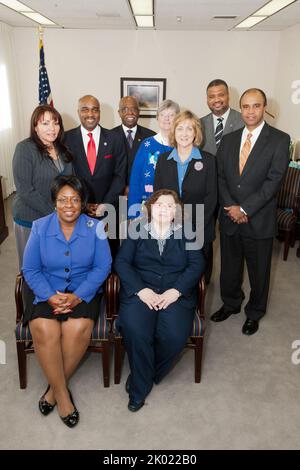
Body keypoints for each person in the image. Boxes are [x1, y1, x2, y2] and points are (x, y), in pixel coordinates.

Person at [22, 175, 112, 427]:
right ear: (54, 202)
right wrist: (50, 296)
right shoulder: (40, 227)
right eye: (62, 199)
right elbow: (30, 269)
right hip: (45, 289)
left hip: (82, 289)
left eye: (75, 199)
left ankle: (52, 390)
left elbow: (103, 266)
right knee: (44, 328)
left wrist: (78, 295)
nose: (69, 205)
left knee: (77, 328)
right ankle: (62, 395)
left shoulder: (95, 228)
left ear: (83, 203)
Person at [115, 189, 204, 412]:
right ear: (150, 208)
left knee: (174, 336)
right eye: (159, 205)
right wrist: (140, 290)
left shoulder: (188, 232)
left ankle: (142, 373)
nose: (164, 209)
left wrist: (176, 291)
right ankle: (139, 389)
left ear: (176, 211)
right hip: (142, 290)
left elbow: (197, 265)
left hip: (174, 293)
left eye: (170, 205)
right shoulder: (136, 229)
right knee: (136, 330)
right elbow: (122, 263)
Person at [211, 88, 290, 335]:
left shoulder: (279, 139)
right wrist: (232, 208)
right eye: (246, 106)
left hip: (259, 218)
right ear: (240, 108)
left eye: (256, 106)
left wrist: (244, 208)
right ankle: (231, 303)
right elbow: (221, 177)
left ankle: (255, 312)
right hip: (230, 217)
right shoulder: (229, 139)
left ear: (264, 107)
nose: (251, 111)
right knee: (230, 267)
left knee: (259, 271)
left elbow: (274, 181)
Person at [154, 110, 217, 284]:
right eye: (180, 128)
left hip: (200, 228)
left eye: (189, 128)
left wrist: (193, 226)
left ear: (196, 132)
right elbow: (158, 196)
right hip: (169, 227)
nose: (184, 133)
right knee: (173, 274)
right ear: (173, 132)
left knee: (199, 277)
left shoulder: (209, 161)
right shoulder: (163, 160)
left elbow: (211, 198)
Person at [12, 105, 73, 268]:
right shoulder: (25, 148)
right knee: (31, 268)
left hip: (56, 219)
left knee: (52, 267)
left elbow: (69, 183)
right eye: (45, 123)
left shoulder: (62, 148)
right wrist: (54, 212)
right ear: (35, 127)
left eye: (55, 122)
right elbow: (25, 190)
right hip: (30, 219)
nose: (52, 128)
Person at [64, 95, 126, 219]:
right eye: (85, 109)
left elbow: (120, 175)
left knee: (108, 239)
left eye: (95, 109)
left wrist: (106, 204)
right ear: (78, 112)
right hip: (76, 209)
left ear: (99, 112)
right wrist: (81, 203)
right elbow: (65, 177)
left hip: (109, 210)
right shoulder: (66, 139)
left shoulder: (115, 138)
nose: (90, 114)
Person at [128, 99, 180, 218]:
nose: (166, 118)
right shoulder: (147, 145)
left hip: (175, 211)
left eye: (171, 115)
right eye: (163, 114)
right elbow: (136, 180)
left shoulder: (182, 145)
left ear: (177, 118)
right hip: (147, 208)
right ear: (157, 117)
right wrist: (133, 214)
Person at [112, 95, 155, 183]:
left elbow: (152, 166)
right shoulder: (110, 136)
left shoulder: (151, 136)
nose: (130, 113)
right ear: (119, 113)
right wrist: (121, 188)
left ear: (138, 112)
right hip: (116, 191)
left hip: (143, 189)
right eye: (125, 109)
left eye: (134, 109)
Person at [201, 79, 244, 156]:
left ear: (228, 96)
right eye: (211, 97)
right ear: (207, 99)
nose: (216, 100)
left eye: (221, 95)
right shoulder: (199, 124)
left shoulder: (243, 121)